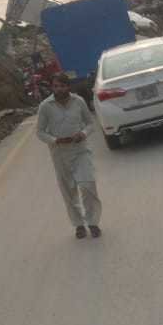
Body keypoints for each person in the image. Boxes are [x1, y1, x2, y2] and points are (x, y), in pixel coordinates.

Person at [37, 73, 101, 240]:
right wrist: (55, 140)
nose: (59, 89)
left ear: (68, 87)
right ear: (53, 88)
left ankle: (93, 222)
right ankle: (79, 225)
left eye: (62, 86)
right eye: (56, 86)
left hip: (81, 151)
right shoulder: (45, 106)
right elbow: (40, 132)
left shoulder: (78, 101)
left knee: (88, 185)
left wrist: (83, 133)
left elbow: (90, 123)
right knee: (68, 191)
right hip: (60, 155)